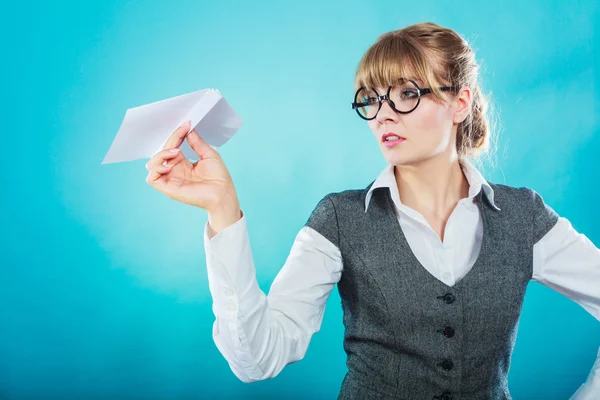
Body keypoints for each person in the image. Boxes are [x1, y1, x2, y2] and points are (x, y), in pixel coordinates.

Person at [145, 22, 600, 400]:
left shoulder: (524, 215)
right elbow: (258, 359)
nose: (383, 114)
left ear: (459, 103)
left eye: (406, 93)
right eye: (371, 97)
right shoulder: (339, 219)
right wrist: (222, 210)